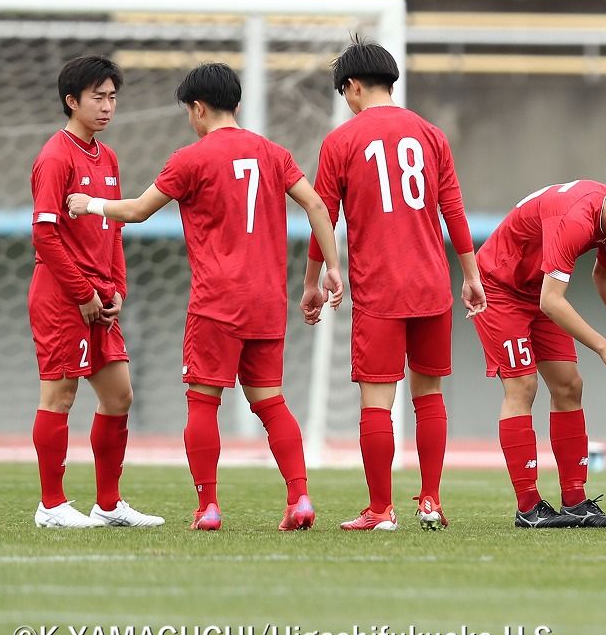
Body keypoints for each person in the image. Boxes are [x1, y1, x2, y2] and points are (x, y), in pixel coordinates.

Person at [68, 63, 344, 532]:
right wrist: (329, 270)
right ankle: (299, 499)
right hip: (267, 300)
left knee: (203, 401)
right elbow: (317, 204)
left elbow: (135, 211)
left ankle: (209, 507)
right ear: (234, 103)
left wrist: (88, 203)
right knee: (272, 402)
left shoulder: (191, 158)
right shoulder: (272, 152)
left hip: (216, 301)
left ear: (198, 109)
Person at [300, 39, 485, 532]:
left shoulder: (341, 141)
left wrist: (312, 281)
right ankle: (430, 501)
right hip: (432, 286)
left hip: (380, 289)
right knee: (430, 394)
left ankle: (381, 510)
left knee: (377, 400)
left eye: (346, 93)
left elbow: (323, 216)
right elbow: (454, 211)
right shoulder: (430, 134)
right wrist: (470, 275)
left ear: (354, 86)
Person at [474, 180, 606, 528]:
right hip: (500, 287)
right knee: (522, 386)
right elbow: (552, 301)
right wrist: (605, 349)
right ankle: (528, 507)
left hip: (538, 288)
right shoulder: (576, 221)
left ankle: (574, 501)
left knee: (569, 385)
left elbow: (603, 275)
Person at [28, 55, 164, 529]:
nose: (107, 107)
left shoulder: (107, 157)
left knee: (119, 396)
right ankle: (51, 505)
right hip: (63, 295)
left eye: (112, 98)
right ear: (72, 101)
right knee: (59, 395)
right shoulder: (54, 156)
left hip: (101, 298)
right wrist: (83, 291)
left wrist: (117, 288)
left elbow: (115, 226)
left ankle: (108, 505)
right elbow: (44, 234)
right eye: (97, 98)